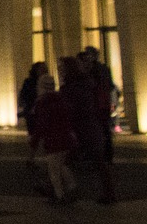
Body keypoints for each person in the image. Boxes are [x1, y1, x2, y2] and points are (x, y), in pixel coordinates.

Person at [67, 50, 119, 204]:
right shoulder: (88, 80)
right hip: (90, 123)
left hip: (87, 124)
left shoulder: (85, 82)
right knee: (73, 159)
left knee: (70, 159)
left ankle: (68, 189)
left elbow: (84, 104)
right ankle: (65, 188)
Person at [31, 62, 78, 204]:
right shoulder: (60, 100)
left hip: (53, 140)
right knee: (61, 165)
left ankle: (59, 195)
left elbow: (42, 124)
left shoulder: (42, 103)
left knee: (53, 171)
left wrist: (35, 141)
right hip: (65, 138)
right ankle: (72, 185)